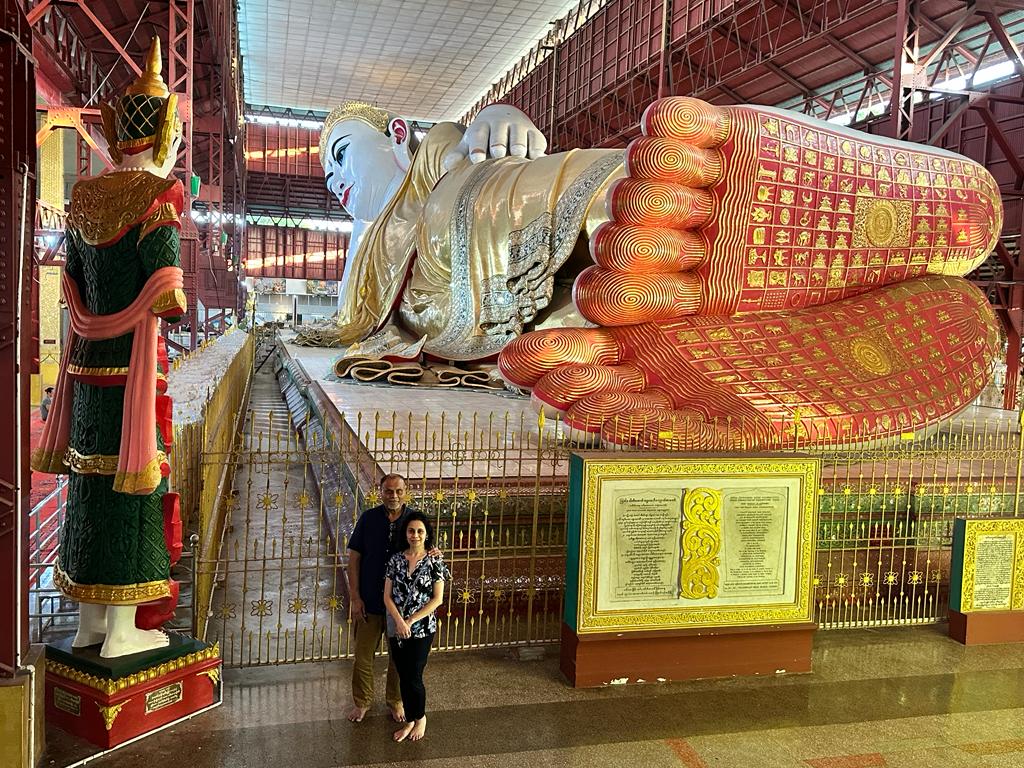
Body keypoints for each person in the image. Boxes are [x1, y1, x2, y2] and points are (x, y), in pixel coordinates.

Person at [30, 37, 186, 658]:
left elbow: (71, 283)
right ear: (165, 131)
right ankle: (123, 628)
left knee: (89, 487)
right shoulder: (158, 197)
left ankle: (90, 620)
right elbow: (168, 290)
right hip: (135, 374)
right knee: (133, 492)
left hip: (88, 367)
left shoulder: (85, 198)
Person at [345, 472, 413, 723]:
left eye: (398, 491)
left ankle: (395, 700)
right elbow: (354, 560)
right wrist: (355, 597)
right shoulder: (368, 519)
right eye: (388, 491)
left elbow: (427, 554)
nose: (393, 496)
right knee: (363, 656)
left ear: (406, 492)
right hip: (370, 601)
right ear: (380, 492)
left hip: (401, 606)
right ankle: (362, 702)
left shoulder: (414, 520)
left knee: (399, 657)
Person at [383, 511, 449, 742]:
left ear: (427, 534)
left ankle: (419, 718)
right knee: (403, 673)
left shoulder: (434, 561)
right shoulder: (396, 560)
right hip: (398, 628)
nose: (415, 535)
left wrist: (410, 621)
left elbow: (437, 599)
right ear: (406, 534)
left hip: (422, 629)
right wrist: (400, 622)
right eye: (411, 531)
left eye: (420, 531)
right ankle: (410, 718)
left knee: (415, 675)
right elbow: (387, 597)